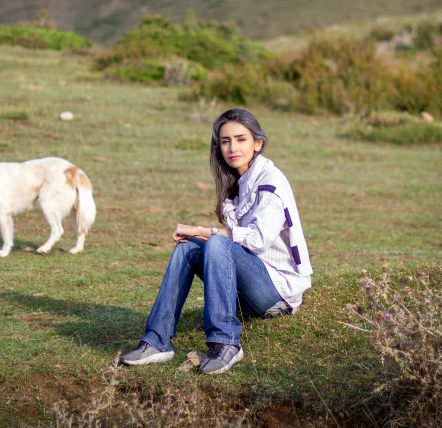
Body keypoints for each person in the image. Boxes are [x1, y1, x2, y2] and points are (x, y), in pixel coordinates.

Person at [120, 108, 313, 375]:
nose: (232, 147)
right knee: (188, 246)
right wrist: (201, 235)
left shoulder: (271, 183)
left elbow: (256, 241)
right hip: (248, 287)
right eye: (225, 141)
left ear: (258, 143)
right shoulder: (239, 181)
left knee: (215, 242)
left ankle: (226, 343)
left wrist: (206, 230)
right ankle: (157, 340)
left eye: (241, 139)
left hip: (276, 293)